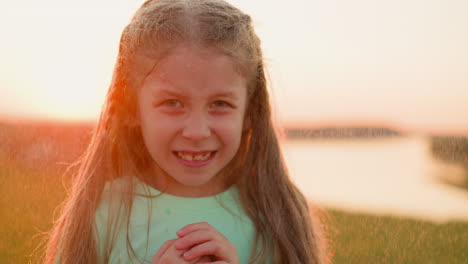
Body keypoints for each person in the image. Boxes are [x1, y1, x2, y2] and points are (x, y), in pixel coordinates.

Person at [45, 0, 328, 263]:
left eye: (220, 104)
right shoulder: (102, 213)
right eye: (172, 103)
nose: (196, 131)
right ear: (131, 109)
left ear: (249, 113)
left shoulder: (273, 217)